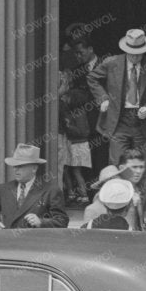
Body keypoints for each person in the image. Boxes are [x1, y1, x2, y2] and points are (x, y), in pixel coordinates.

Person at [90, 28, 146, 170]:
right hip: (118, 121)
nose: (135, 57)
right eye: (132, 54)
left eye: (139, 54)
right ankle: (117, 192)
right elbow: (92, 78)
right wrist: (103, 98)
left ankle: (140, 193)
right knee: (117, 164)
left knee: (140, 166)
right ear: (125, 50)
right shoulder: (111, 63)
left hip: (142, 122)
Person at [0, 143, 73, 229]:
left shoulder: (51, 190)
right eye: (14, 166)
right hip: (7, 242)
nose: (16, 169)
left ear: (34, 168)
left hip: (33, 242)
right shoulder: (3, 189)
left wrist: (41, 222)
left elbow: (62, 221)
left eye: (20, 166)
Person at [57, 30, 100, 203]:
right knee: (82, 165)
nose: (78, 56)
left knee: (99, 160)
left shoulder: (106, 65)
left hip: (102, 121)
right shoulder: (75, 71)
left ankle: (100, 195)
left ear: (90, 49)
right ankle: (86, 195)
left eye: (81, 52)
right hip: (82, 125)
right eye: (76, 53)